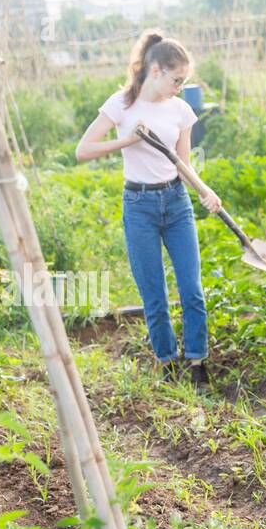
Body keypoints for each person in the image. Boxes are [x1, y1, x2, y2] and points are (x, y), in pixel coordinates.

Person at [75, 29, 222, 386]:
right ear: (155, 71)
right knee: (153, 293)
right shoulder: (121, 105)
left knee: (192, 290)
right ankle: (167, 362)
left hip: (176, 203)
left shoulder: (181, 110)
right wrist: (128, 140)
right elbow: (83, 150)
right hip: (138, 205)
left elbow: (182, 164)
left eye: (185, 80)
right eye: (176, 79)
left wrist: (205, 190)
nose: (180, 86)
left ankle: (198, 363)